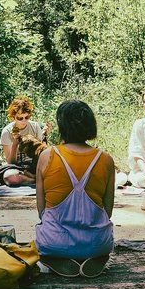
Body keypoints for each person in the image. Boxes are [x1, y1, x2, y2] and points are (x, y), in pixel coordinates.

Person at [35, 99, 116, 278]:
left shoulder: (47, 156)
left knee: (44, 238)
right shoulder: (105, 160)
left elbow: (42, 211)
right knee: (101, 239)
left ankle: (54, 256)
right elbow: (107, 211)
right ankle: (97, 255)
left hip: (54, 241)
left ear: (62, 126)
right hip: (97, 242)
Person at [0, 95, 51, 186]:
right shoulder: (7, 131)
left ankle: (31, 177)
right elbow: (10, 162)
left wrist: (44, 137)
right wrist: (15, 144)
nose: (24, 121)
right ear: (13, 116)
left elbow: (40, 153)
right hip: (18, 167)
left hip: (34, 165)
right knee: (9, 177)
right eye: (20, 118)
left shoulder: (34, 126)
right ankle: (33, 179)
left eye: (27, 117)